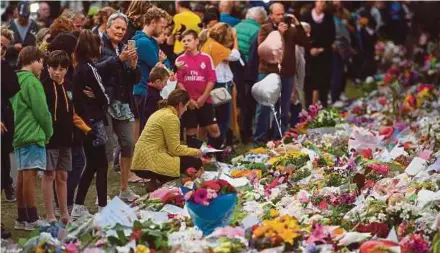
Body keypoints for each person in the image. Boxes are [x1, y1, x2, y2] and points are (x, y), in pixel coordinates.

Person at [41, 50, 91, 224]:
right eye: (54, 67)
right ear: (47, 67)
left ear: (67, 69)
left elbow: (73, 114)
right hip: (50, 140)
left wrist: (87, 130)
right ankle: (50, 215)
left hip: (66, 140)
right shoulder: (43, 86)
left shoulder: (69, 86)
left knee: (62, 175)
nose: (57, 72)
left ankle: (64, 213)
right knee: (49, 175)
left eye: (62, 68)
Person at [99, 12, 141, 202]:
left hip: (123, 103)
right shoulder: (98, 46)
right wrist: (119, 60)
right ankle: (102, 193)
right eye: (117, 27)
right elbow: (96, 69)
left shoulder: (125, 48)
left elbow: (136, 79)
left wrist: (133, 66)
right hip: (105, 103)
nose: (120, 31)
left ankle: (124, 189)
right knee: (106, 149)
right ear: (107, 28)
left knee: (128, 144)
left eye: (123, 29)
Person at [253, 2, 310, 144]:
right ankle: (259, 138)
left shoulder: (291, 29)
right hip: (268, 72)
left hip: (286, 73)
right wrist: (279, 33)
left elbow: (305, 42)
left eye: (282, 13)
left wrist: (297, 25)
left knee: (283, 107)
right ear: (271, 15)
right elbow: (263, 51)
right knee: (264, 107)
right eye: (277, 14)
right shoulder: (265, 29)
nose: (281, 16)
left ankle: (278, 137)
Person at [11, 46, 52, 230]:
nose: (42, 67)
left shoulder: (14, 79)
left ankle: (21, 218)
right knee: (30, 176)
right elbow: (42, 111)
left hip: (18, 133)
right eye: (41, 62)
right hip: (33, 133)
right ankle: (33, 218)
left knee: (21, 176)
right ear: (33, 61)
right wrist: (49, 131)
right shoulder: (33, 82)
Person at [132, 89, 202, 192]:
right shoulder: (171, 117)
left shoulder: (161, 112)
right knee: (195, 161)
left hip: (141, 159)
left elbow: (171, 147)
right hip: (150, 161)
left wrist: (190, 150)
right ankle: (188, 188)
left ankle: (156, 184)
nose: (186, 109)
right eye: (186, 106)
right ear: (180, 105)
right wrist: (196, 152)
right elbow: (174, 150)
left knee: (186, 158)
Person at [71, 30, 110, 217]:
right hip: (94, 121)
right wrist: (100, 98)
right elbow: (104, 97)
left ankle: (78, 205)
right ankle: (102, 205)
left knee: (92, 164)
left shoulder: (78, 68)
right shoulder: (90, 68)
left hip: (83, 122)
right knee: (101, 164)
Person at [176, 30, 222, 151]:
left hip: (204, 101)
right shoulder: (180, 60)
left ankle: (217, 155)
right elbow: (179, 81)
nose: (186, 43)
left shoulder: (206, 58)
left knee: (213, 129)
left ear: (196, 41)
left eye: (189, 40)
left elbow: (212, 79)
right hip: (188, 102)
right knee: (191, 130)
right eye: (184, 41)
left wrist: (204, 97)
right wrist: (188, 99)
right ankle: (195, 158)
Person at [200, 23, 241, 149]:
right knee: (223, 118)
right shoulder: (215, 46)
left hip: (215, 84)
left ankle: (216, 145)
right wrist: (235, 39)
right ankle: (218, 147)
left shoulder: (209, 44)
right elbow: (235, 55)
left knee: (217, 116)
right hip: (220, 85)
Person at [132, 7, 169, 137]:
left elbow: (165, 63)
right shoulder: (143, 42)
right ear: (153, 22)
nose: (163, 30)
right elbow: (159, 69)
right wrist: (161, 62)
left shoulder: (151, 41)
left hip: (145, 91)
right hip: (141, 91)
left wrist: (162, 63)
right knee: (141, 134)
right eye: (162, 26)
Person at [302, 0, 335, 107]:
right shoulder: (306, 16)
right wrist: (310, 49)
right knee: (309, 82)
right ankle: (308, 107)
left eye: (324, 2)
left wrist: (321, 49)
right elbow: (301, 35)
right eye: (320, 1)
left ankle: (322, 106)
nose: (322, 4)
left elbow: (332, 36)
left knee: (323, 82)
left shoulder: (328, 18)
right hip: (309, 56)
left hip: (324, 55)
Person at [1, 25, 19, 203]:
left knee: (4, 154)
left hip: (5, 114)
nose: (1, 49)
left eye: (5, 47)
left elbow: (13, 88)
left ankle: (7, 184)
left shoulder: (4, 65)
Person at [5, 2, 39, 68]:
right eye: (21, 16)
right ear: (17, 13)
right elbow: (2, 46)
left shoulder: (34, 25)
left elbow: (38, 44)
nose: (23, 19)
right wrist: (13, 47)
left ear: (29, 15)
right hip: (12, 63)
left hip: (29, 64)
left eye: (25, 16)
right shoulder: (9, 26)